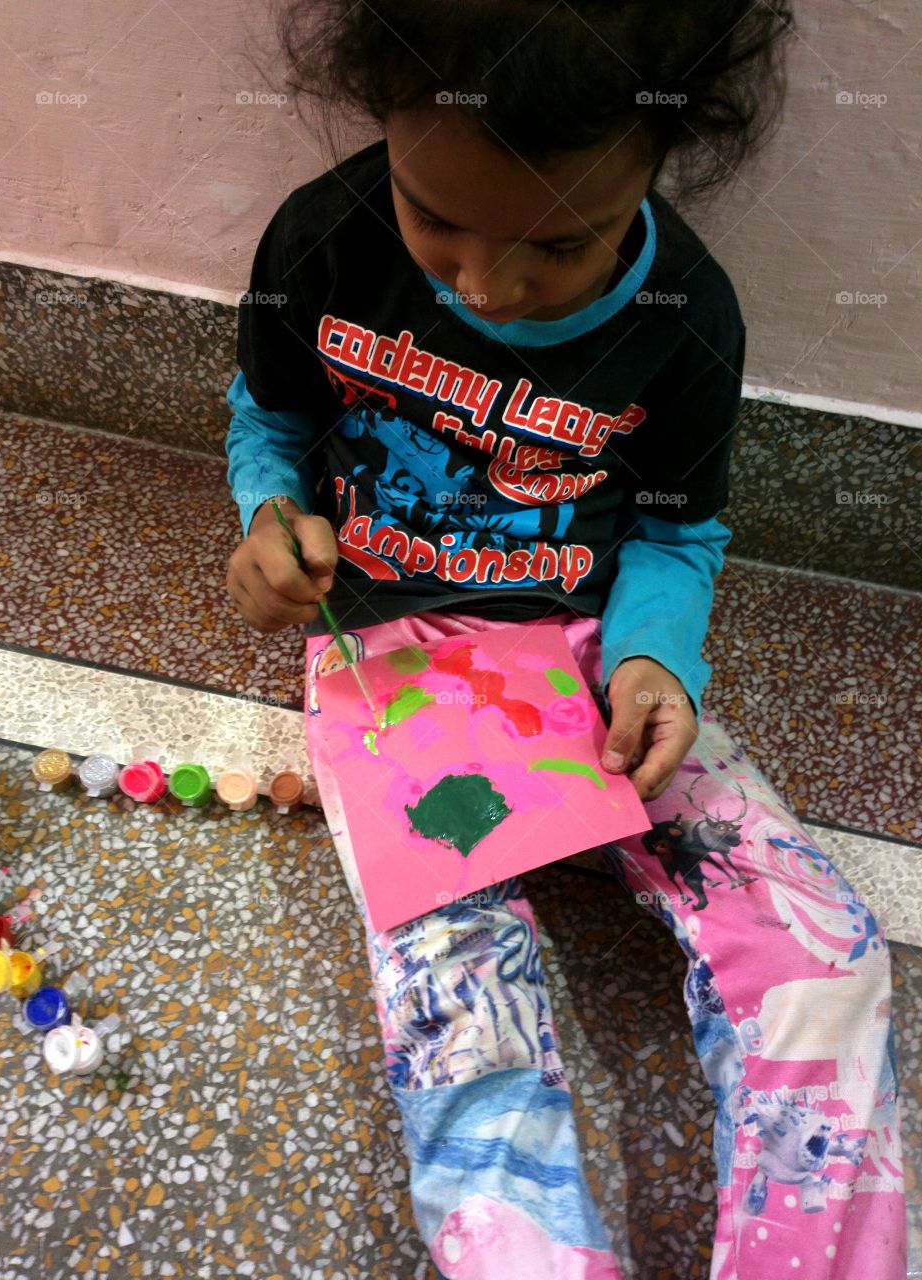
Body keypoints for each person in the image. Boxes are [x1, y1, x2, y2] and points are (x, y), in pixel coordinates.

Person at [223, 3, 906, 1275]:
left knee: (823, 954)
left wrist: (655, 661)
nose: (487, 284)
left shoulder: (688, 315)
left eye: (559, 242)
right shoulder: (323, 236)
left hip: (593, 649)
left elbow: (677, 532)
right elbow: (265, 418)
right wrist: (270, 521)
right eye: (438, 222)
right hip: (389, 660)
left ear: (661, 159)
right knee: (465, 1023)